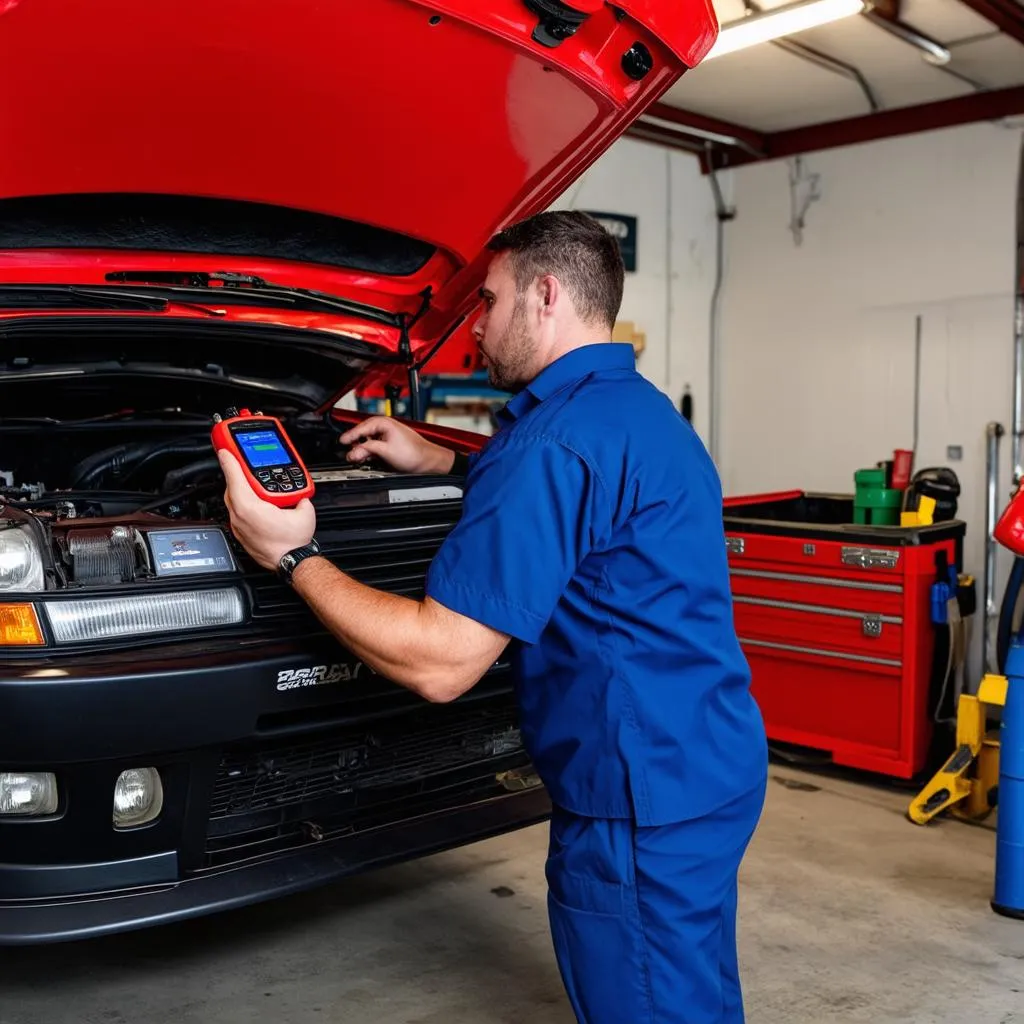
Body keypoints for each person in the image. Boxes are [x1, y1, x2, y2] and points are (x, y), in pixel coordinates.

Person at [218, 210, 768, 1024]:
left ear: (545, 296)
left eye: (489, 300)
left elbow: (442, 664)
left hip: (635, 799)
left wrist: (294, 557)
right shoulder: (635, 413)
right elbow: (577, 496)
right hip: (709, 764)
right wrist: (442, 457)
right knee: (692, 991)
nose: (475, 326)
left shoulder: (549, 447)